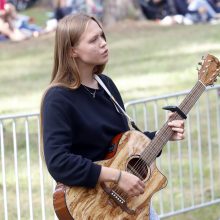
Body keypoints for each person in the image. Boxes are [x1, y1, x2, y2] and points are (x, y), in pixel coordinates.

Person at [41, 13, 185, 219]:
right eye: (93, 40)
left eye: (102, 36)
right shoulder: (58, 98)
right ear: (72, 50)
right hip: (87, 207)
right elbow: (59, 162)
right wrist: (117, 177)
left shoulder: (105, 85)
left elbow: (123, 148)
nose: (103, 44)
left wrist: (163, 134)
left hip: (128, 204)